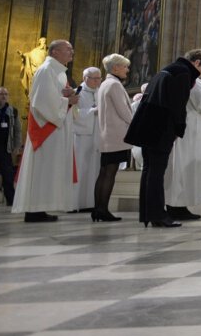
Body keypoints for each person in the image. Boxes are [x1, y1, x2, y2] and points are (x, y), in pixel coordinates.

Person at [126, 49, 201, 228]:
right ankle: (158, 215)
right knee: (156, 172)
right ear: (196, 63)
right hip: (161, 127)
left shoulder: (168, 69)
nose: (199, 75)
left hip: (147, 124)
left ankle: (148, 213)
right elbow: (177, 105)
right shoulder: (183, 73)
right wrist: (178, 130)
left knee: (149, 171)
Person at [13, 40, 79, 222]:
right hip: (47, 130)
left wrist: (65, 96)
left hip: (55, 128)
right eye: (68, 49)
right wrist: (67, 102)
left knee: (48, 169)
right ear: (55, 52)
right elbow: (41, 102)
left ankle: (40, 207)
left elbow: (52, 96)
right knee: (42, 168)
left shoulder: (57, 72)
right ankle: (34, 210)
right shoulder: (46, 70)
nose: (72, 52)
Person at [165, 72, 201, 219]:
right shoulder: (194, 81)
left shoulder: (176, 78)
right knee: (185, 166)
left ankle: (176, 204)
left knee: (178, 167)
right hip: (192, 129)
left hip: (182, 126)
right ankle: (178, 205)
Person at [94, 54, 133, 221]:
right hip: (116, 136)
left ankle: (99, 209)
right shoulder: (114, 85)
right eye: (125, 67)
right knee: (110, 172)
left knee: (104, 172)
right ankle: (102, 210)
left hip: (106, 135)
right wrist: (136, 124)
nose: (127, 70)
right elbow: (124, 111)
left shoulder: (105, 84)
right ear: (115, 68)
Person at [69, 67, 103, 211]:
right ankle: (73, 204)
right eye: (94, 78)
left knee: (93, 169)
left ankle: (88, 203)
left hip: (96, 136)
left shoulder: (100, 93)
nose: (97, 81)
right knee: (80, 169)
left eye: (99, 78)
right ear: (85, 78)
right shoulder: (78, 93)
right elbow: (73, 114)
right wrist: (91, 112)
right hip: (81, 136)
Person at [0, 87, 21, 206]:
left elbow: (17, 130)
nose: (3, 96)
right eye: (1, 93)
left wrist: (17, 146)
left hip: (4, 147)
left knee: (8, 174)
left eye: (6, 94)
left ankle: (11, 200)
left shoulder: (13, 111)